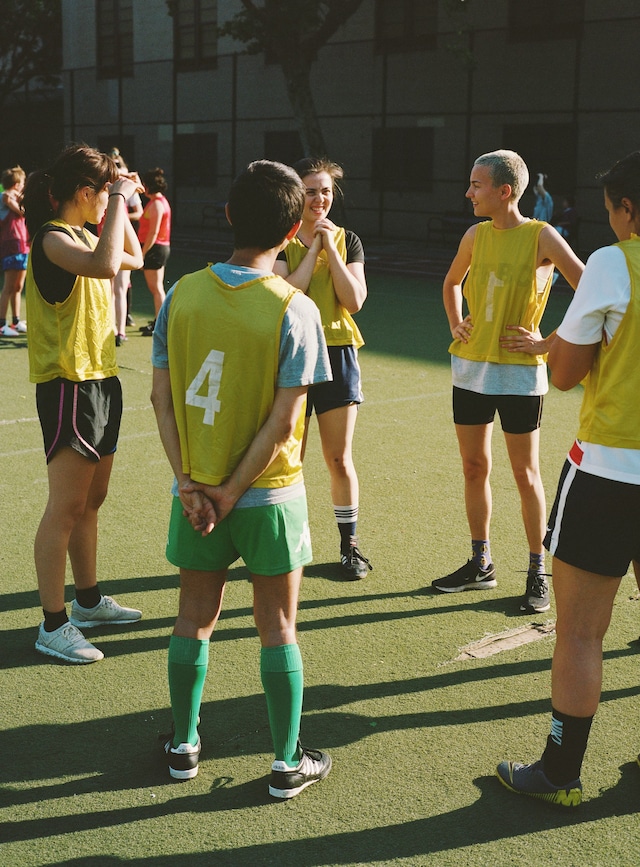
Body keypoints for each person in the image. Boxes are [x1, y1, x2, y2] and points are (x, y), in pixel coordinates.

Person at [150, 159, 333, 798]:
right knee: (278, 626)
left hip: (196, 492)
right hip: (271, 496)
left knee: (192, 616)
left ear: (228, 215)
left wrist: (191, 484)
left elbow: (162, 400)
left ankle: (182, 746)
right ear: (293, 230)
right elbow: (285, 424)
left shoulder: (181, 294)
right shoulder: (295, 308)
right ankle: (287, 763)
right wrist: (232, 493)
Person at [496, 150, 640, 806]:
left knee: (581, 631)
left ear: (627, 209)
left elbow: (566, 373)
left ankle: (559, 773)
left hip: (610, 470)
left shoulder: (616, 261)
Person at [431, 150, 584, 613]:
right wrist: (457, 321)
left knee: (525, 474)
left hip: (520, 376)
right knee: (474, 468)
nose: (468, 192)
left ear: (505, 191)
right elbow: (452, 282)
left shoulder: (542, 236)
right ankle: (481, 563)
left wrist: (546, 344)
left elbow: (588, 291)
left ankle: (537, 569)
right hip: (470, 370)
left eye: (476, 185)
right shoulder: (475, 234)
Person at [24, 143, 145, 664]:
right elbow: (103, 265)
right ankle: (53, 623)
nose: (109, 204)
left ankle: (89, 601)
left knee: (91, 502)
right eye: (103, 195)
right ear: (84, 193)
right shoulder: (53, 239)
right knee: (67, 506)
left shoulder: (91, 232)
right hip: (68, 384)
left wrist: (123, 197)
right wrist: (118, 195)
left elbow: (133, 258)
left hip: (101, 380)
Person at [273, 157, 372, 580]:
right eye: (311, 191)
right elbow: (284, 294)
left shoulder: (348, 240)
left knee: (338, 457)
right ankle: (288, 541)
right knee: (289, 456)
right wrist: (313, 246)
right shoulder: (281, 240)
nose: (320, 199)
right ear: (298, 195)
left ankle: (349, 546)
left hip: (337, 354)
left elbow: (354, 301)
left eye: (326, 191)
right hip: (294, 353)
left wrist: (331, 247)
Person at [108, 150, 143, 345]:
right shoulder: (104, 185)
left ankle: (120, 330)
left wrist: (118, 216)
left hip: (122, 240)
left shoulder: (125, 189)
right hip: (106, 239)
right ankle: (111, 328)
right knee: (109, 289)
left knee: (120, 288)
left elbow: (139, 210)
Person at [138, 167, 171, 335]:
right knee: (156, 287)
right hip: (158, 248)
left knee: (156, 287)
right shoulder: (159, 202)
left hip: (155, 248)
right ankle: (159, 321)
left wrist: (142, 254)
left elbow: (153, 232)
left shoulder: (157, 204)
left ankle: (160, 323)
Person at [0, 165, 29, 336]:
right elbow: (23, 212)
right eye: (23, 182)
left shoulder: (16, 196)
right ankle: (2, 324)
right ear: (17, 183)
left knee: (18, 286)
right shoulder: (5, 196)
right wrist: (21, 197)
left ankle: (15, 321)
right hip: (11, 245)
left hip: (22, 243)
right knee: (8, 287)